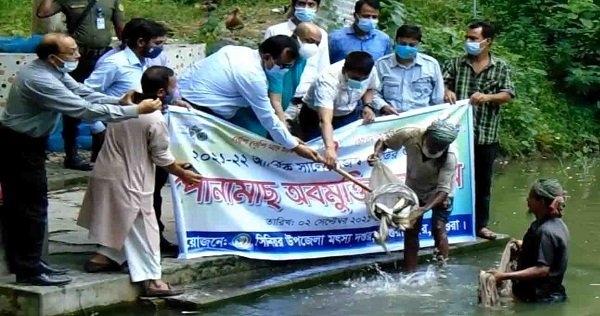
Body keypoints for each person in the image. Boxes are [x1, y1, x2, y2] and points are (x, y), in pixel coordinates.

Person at [0, 33, 162, 286]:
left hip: (31, 143)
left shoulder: (54, 71)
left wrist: (118, 100)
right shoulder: (40, 79)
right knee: (30, 207)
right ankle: (28, 269)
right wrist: (134, 111)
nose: (78, 56)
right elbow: (82, 109)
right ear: (54, 58)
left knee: (31, 205)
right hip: (18, 145)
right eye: (72, 52)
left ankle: (31, 263)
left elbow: (83, 92)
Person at [77, 66, 201, 297]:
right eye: (174, 87)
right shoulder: (154, 118)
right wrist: (181, 172)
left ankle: (104, 257)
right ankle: (152, 280)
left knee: (122, 219)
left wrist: (175, 163)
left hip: (106, 170)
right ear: (162, 92)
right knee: (145, 228)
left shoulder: (124, 106)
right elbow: (161, 157)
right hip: (131, 178)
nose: (178, 92)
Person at [178, 35, 321, 162]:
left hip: (186, 97)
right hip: (196, 111)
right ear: (267, 57)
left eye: (289, 66)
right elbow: (267, 117)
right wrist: (293, 146)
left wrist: (288, 139)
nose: (285, 70)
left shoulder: (237, 51)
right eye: (282, 65)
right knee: (198, 163)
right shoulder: (251, 75)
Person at [443, 21, 514, 240]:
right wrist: (447, 92)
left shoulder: (500, 66)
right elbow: (443, 84)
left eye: (474, 39)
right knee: (449, 180)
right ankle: (447, 223)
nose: (469, 42)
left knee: (483, 183)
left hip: (486, 135)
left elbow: (508, 94)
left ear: (487, 42)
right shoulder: (456, 63)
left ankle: (480, 225)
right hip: (456, 136)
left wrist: (487, 97)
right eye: (467, 38)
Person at [37, 0, 125, 171]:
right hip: (75, 57)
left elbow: (121, 27)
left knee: (102, 102)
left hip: (102, 57)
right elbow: (43, 13)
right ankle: (72, 155)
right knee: (72, 105)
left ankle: (100, 153)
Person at [367, 119, 459, 272]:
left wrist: (424, 208)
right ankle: (410, 273)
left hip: (439, 194)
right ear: (426, 135)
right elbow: (384, 141)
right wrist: (376, 154)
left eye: (439, 147)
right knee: (411, 230)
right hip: (414, 189)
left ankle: (442, 270)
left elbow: (443, 190)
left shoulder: (450, 156)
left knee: (438, 227)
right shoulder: (410, 134)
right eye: (432, 144)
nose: (435, 149)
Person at [83, 18, 166, 161]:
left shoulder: (146, 62)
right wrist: (97, 128)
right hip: (113, 130)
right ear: (141, 42)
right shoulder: (115, 63)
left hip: (136, 130)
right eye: (157, 44)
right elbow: (85, 94)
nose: (161, 48)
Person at [489, 179, 569, 303]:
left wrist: (503, 276)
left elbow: (542, 270)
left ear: (541, 202)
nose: (527, 200)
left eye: (531, 197)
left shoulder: (545, 231)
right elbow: (549, 254)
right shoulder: (557, 224)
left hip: (541, 299)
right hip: (547, 296)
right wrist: (525, 246)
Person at [299, 51, 379, 169]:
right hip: (316, 117)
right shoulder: (327, 80)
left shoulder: (369, 70)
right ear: (344, 70)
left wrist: (367, 105)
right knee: (316, 153)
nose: (359, 82)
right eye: (355, 78)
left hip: (348, 114)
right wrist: (329, 148)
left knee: (345, 150)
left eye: (363, 79)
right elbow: (325, 120)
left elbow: (370, 88)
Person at [264, 0, 330, 126]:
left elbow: (323, 69)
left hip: (306, 101)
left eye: (311, 4)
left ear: (317, 7)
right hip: (281, 99)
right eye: (301, 3)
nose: (306, 8)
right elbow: (267, 68)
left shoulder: (321, 35)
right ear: (293, 5)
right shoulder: (275, 31)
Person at [266, 22, 324, 135]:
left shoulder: (302, 60)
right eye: (310, 41)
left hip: (282, 110)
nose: (313, 47)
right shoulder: (280, 58)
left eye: (317, 44)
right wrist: (283, 124)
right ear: (295, 37)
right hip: (265, 110)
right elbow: (274, 96)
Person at [373, 25, 444, 114]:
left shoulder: (431, 65)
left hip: (421, 120)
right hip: (390, 118)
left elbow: (438, 98)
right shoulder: (382, 64)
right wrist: (383, 106)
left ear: (418, 44)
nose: (407, 47)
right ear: (396, 42)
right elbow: (373, 92)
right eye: (403, 44)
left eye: (412, 45)